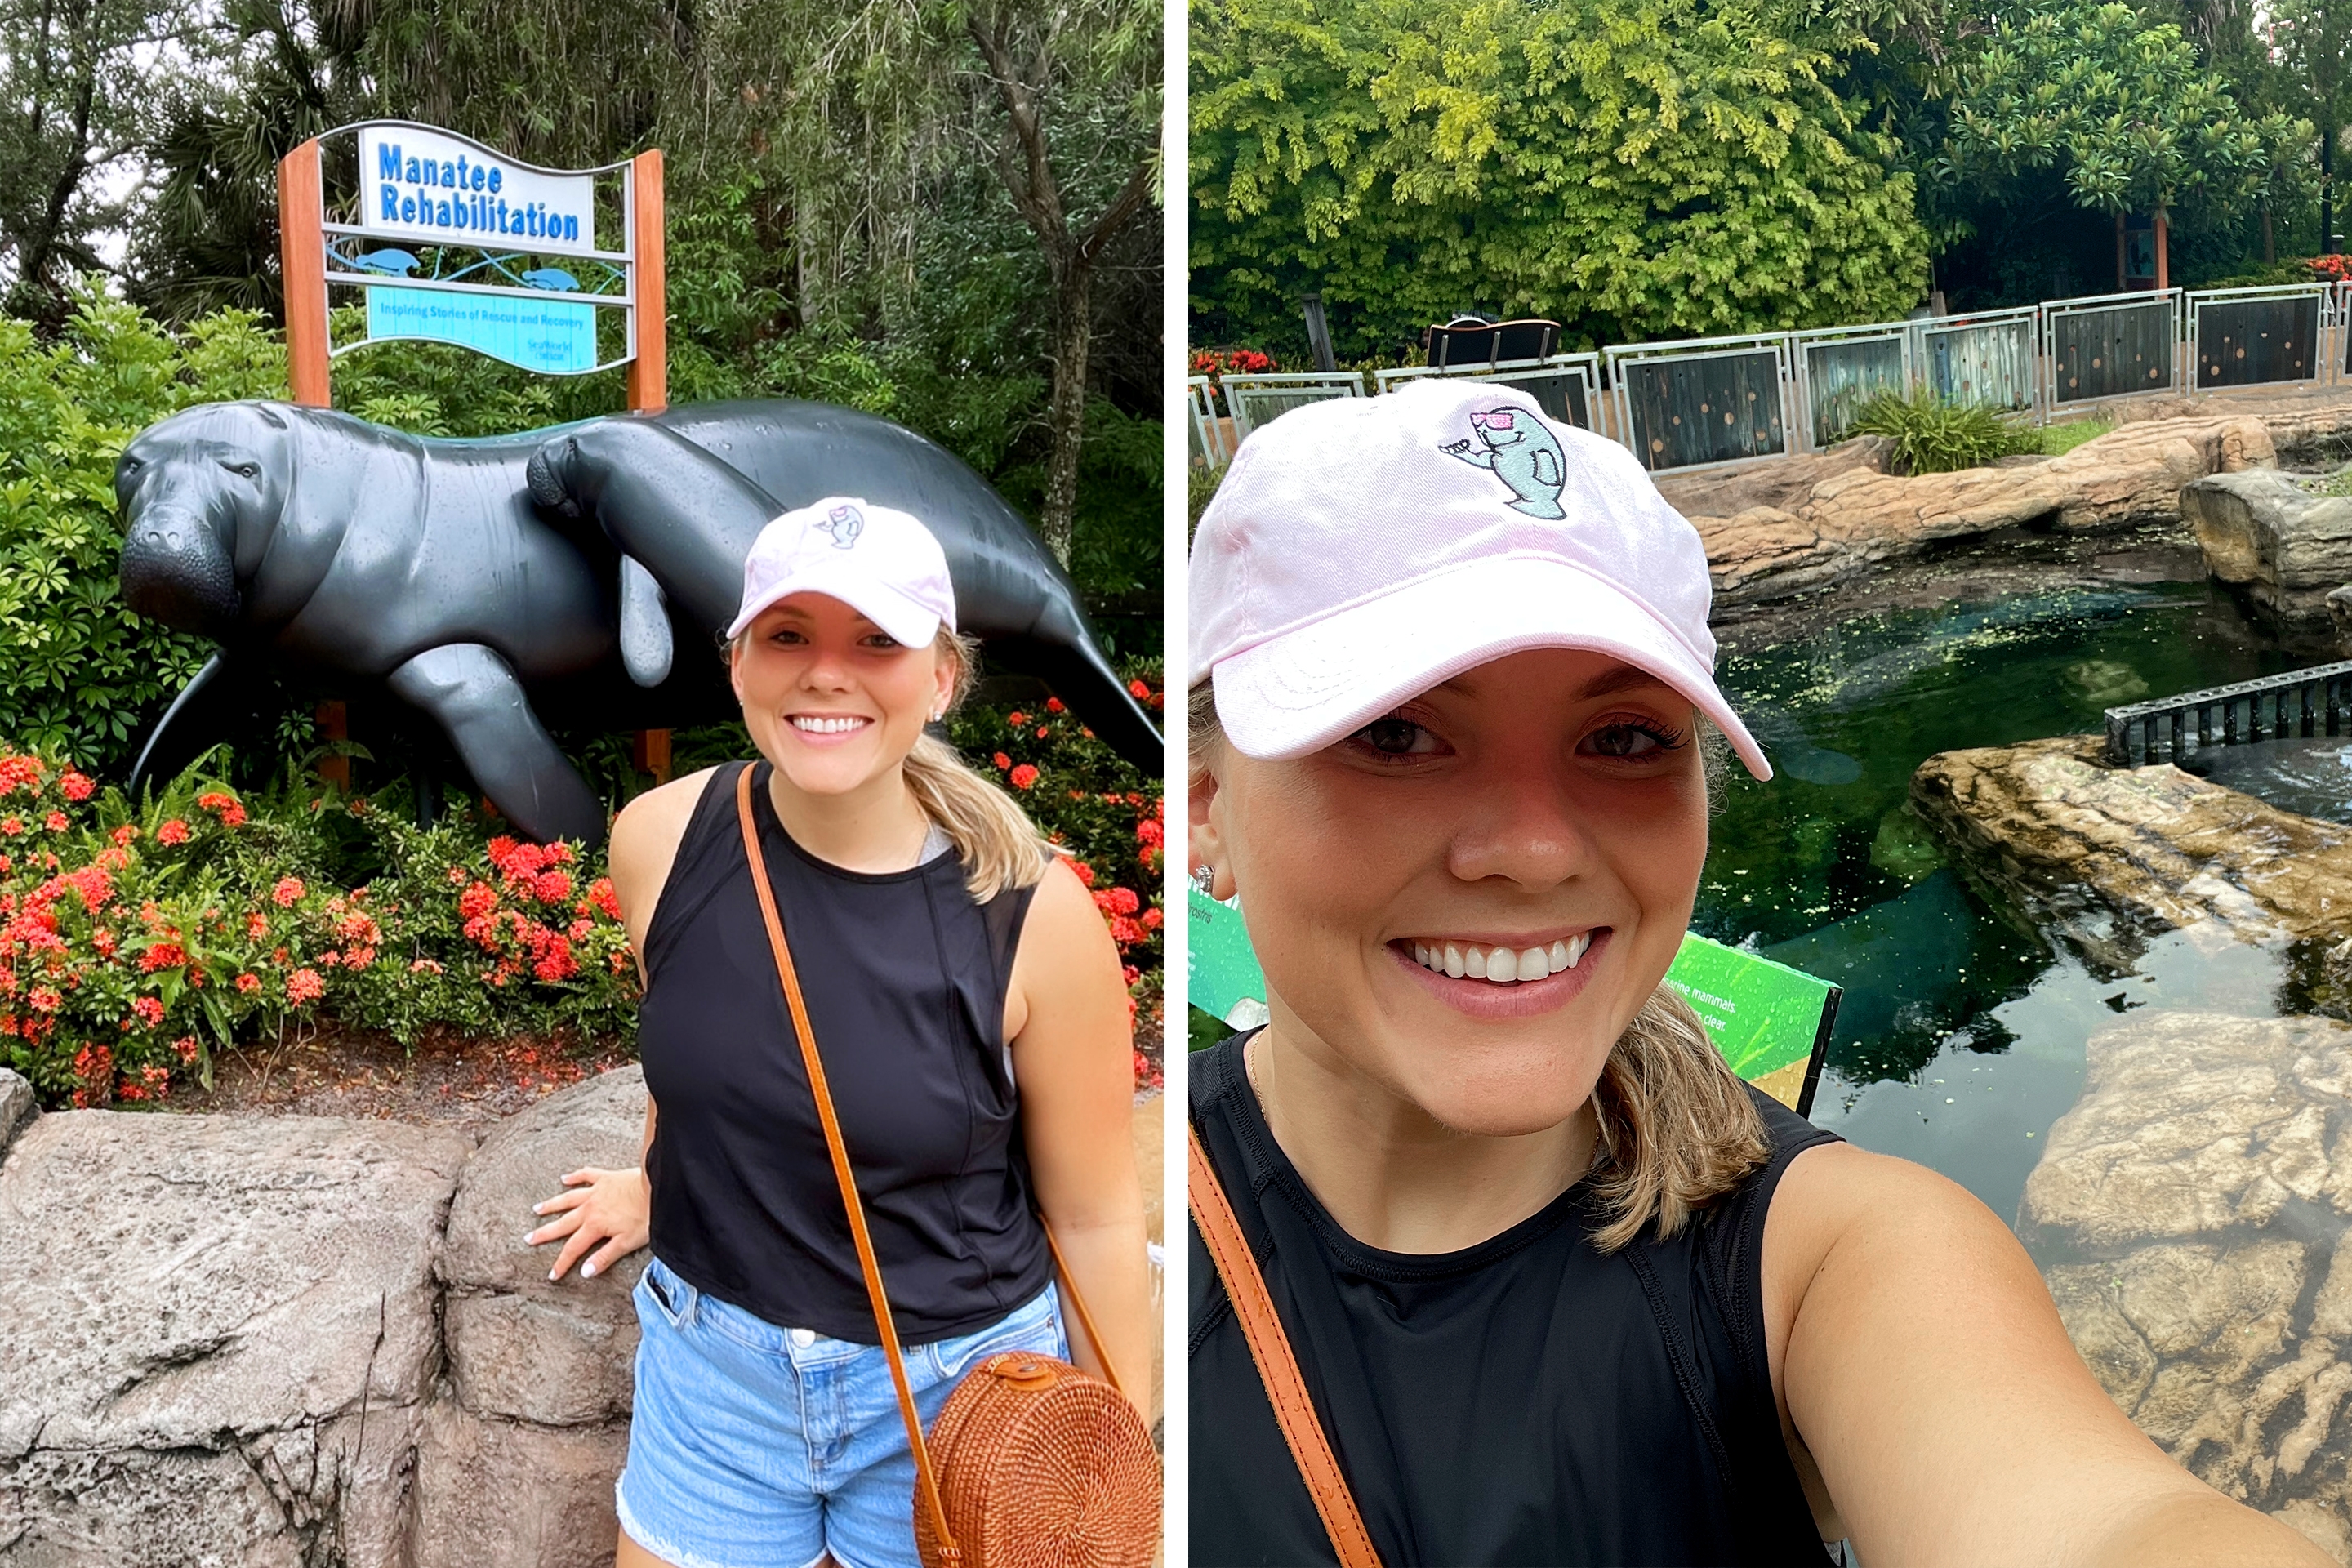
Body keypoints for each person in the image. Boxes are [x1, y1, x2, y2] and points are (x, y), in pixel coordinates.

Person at [1183, 381, 2329, 1567]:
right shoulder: (1112, 1230)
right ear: (1206, 805)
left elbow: (2099, 1526)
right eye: (1396, 734)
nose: (1534, 850)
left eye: (1624, 738)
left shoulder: (1830, 1262)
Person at [524, 497, 1152, 1568]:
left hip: (958, 1398)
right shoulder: (659, 842)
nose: (826, 674)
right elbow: (699, 1051)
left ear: (941, 678)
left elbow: (1094, 1217)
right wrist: (657, 1183)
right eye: (788, 636)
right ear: (737, 664)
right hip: (713, 1376)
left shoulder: (1033, 919)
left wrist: (1110, 1473)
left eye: (876, 642)